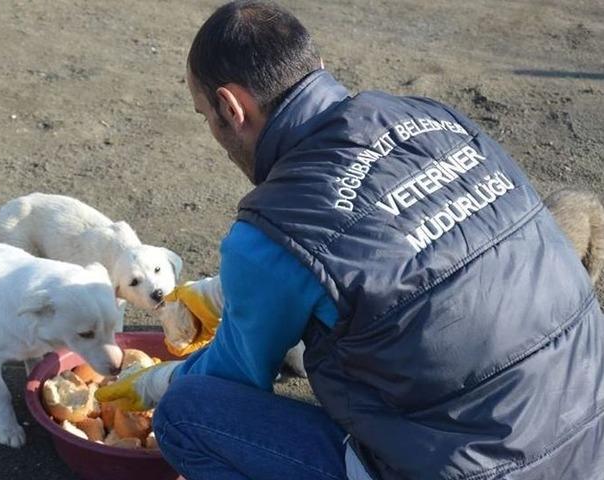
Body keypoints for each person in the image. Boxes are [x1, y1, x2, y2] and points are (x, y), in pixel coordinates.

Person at [96, 2, 604, 479]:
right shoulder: (439, 118)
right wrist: (218, 294)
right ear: (316, 64)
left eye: (206, 117)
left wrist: (154, 385)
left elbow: (235, 375)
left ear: (231, 107)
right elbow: (398, 257)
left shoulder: (276, 225)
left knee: (188, 414)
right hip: (591, 438)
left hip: (472, 467)